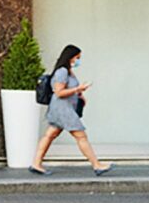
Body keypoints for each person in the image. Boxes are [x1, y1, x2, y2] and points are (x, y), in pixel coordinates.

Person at [29, 44, 113, 173]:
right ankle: (96, 165)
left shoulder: (67, 71)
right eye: (77, 57)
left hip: (61, 109)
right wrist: (78, 89)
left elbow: (67, 90)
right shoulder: (62, 72)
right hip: (63, 110)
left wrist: (79, 95)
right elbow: (59, 92)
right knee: (81, 136)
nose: (78, 60)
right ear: (70, 57)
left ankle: (36, 164)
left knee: (49, 135)